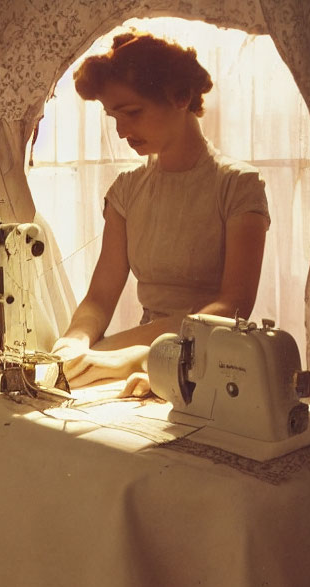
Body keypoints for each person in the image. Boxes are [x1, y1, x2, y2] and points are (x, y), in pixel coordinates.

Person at [52, 31, 270, 389]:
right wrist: (73, 341)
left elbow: (234, 304)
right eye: (113, 117)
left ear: (181, 97)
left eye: (133, 113)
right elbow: (100, 298)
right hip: (138, 352)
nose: (122, 131)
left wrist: (135, 354)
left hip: (216, 358)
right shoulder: (126, 191)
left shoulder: (238, 186)